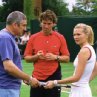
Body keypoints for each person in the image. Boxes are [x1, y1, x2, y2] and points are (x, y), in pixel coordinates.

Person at [24, 9, 70, 97]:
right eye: (44, 23)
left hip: (54, 76)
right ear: (40, 23)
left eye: (49, 24)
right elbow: (27, 58)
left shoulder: (60, 37)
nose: (46, 26)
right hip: (36, 77)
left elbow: (67, 58)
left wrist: (55, 57)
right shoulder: (33, 38)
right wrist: (36, 56)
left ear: (54, 24)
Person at [44, 23, 96, 97]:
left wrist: (55, 82)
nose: (75, 37)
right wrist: (84, 82)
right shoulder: (90, 48)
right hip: (82, 90)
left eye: (78, 34)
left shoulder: (84, 51)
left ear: (87, 35)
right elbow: (95, 69)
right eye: (74, 35)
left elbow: (76, 77)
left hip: (80, 92)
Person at [0, 11, 39, 97]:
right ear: (15, 25)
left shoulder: (7, 37)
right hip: (6, 89)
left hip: (7, 88)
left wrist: (22, 77)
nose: (25, 29)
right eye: (23, 25)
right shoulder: (5, 37)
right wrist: (29, 78)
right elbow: (8, 67)